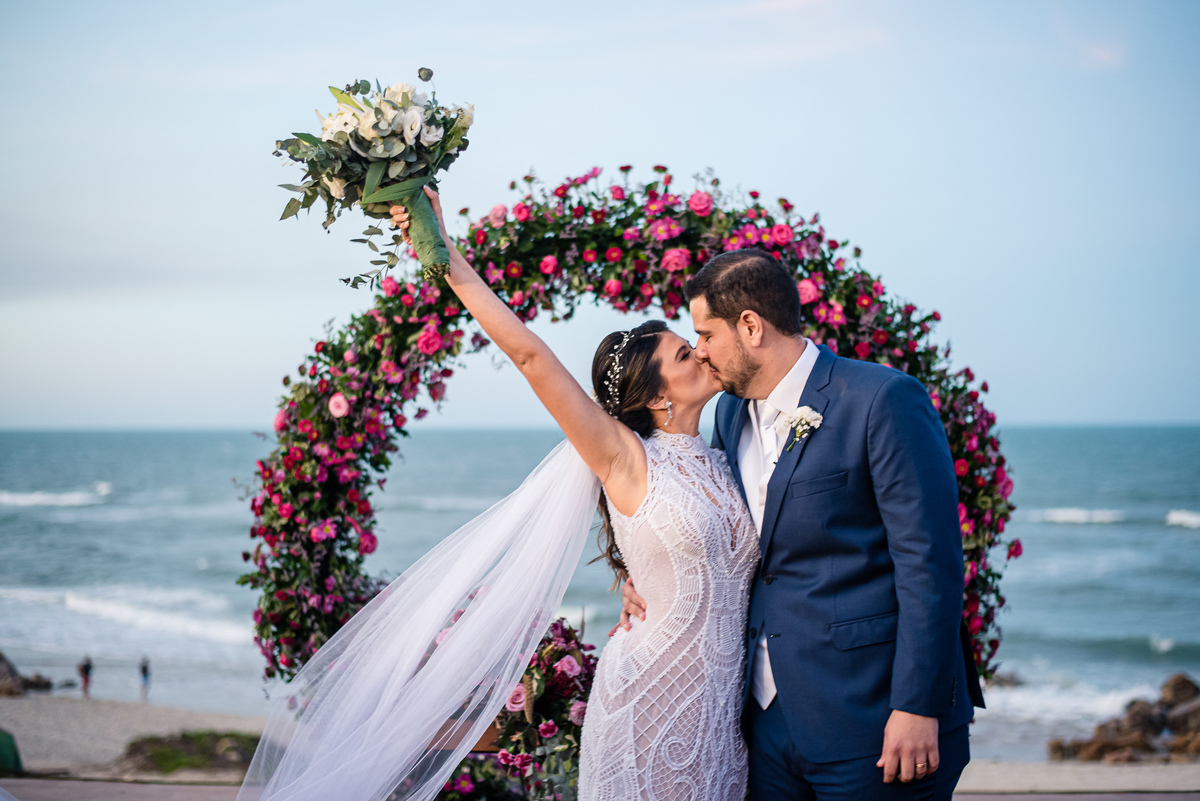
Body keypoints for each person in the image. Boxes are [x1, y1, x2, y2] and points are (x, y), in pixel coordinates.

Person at [238, 190, 758, 801]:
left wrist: (647, 580)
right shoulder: (624, 457)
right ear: (654, 394)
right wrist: (442, 249)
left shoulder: (727, 448)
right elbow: (530, 356)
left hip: (723, 712)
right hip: (650, 704)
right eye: (681, 351)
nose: (698, 351)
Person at [618, 249, 985, 800]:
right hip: (763, 724)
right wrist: (650, 577)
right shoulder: (730, 413)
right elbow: (731, 534)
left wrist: (917, 706)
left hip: (873, 719)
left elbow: (929, 563)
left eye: (706, 334)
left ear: (750, 327)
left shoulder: (880, 400)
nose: (699, 351)